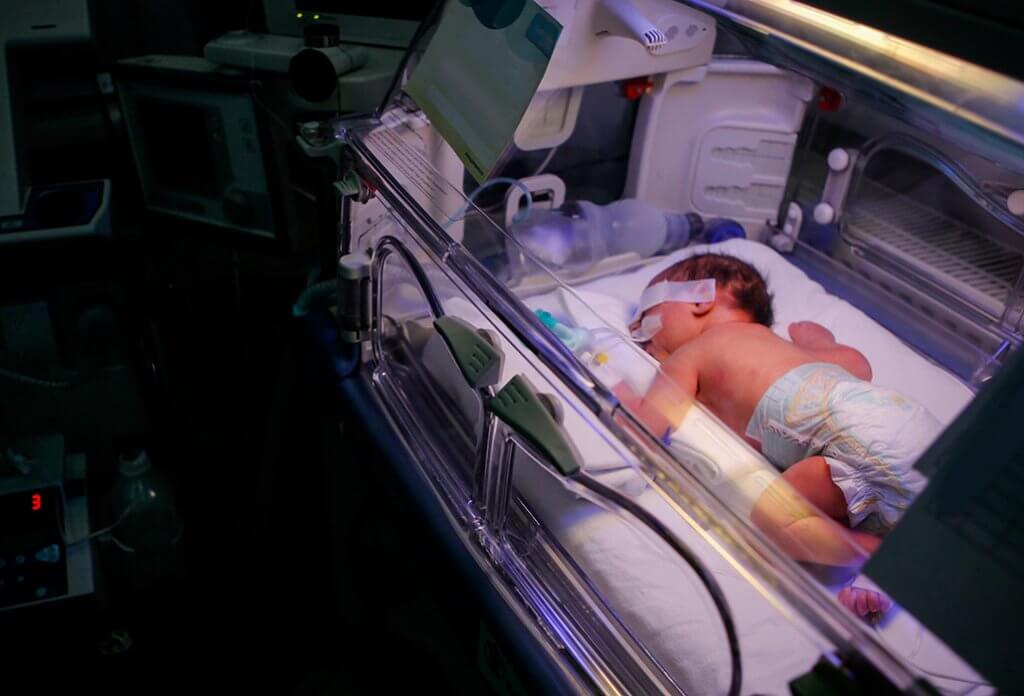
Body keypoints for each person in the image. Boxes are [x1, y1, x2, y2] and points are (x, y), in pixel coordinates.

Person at [619, 253, 940, 620]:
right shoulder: (784, 348)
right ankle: (887, 558)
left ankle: (870, 553)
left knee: (773, 518)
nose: (640, 335)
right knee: (876, 499)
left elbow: (647, 428)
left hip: (852, 441)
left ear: (699, 300)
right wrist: (821, 339)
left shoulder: (692, 355)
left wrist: (627, 395)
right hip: (907, 424)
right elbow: (856, 364)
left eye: (646, 319)